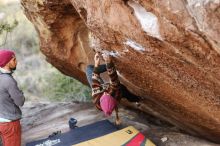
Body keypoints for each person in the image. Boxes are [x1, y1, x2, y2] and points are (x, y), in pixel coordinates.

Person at [86, 52, 141, 125]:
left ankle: (111, 66)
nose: (105, 93)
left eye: (104, 95)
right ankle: (137, 99)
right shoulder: (115, 93)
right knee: (125, 91)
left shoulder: (96, 97)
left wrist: (96, 64)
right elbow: (113, 78)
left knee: (89, 69)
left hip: (102, 89)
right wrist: (109, 63)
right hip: (116, 91)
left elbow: (95, 79)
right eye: (107, 94)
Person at [0, 49, 25, 146]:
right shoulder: (8, 80)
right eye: (14, 60)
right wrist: (21, 93)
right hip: (10, 124)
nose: (16, 61)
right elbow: (20, 101)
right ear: (6, 62)